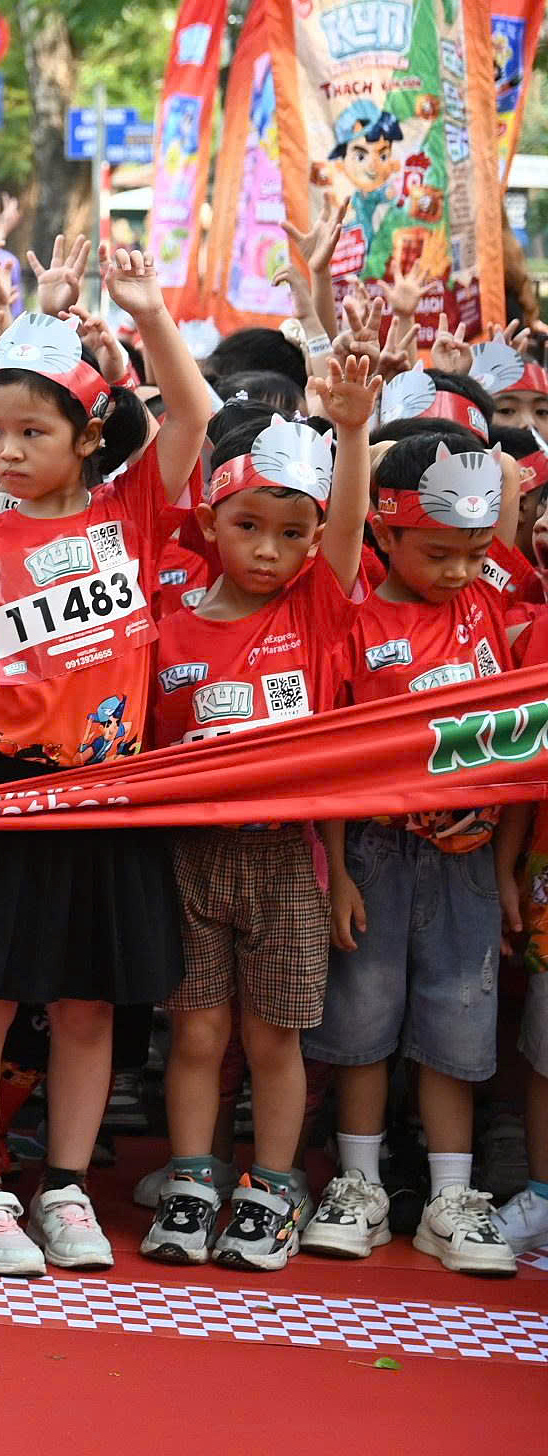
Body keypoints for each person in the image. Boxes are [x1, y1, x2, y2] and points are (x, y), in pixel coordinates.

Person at [0, 239, 217, 1279]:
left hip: (106, 793)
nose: (8, 451)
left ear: (87, 437)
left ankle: (64, 1184)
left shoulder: (133, 514)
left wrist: (150, 314)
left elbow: (191, 421)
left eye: (34, 432)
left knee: (88, 1000)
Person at [140, 375, 376, 1271]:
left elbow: (351, 528)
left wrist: (350, 431)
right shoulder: (168, 630)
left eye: (291, 533)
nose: (270, 551)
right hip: (191, 860)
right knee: (198, 1031)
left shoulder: (317, 605)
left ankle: (272, 1188)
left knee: (275, 1037)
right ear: (208, 525)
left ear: (314, 541)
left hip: (291, 861)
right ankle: (195, 1178)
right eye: (248, 527)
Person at [301, 419, 525, 1276]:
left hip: (467, 860)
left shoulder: (487, 600)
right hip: (371, 855)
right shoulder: (350, 612)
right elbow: (327, 753)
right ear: (388, 533)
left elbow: (512, 758)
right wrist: (333, 873)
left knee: (457, 1022)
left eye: (474, 551)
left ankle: (449, 1199)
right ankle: (355, 1186)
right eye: (438, 553)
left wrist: (503, 869)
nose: (463, 569)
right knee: (360, 1021)